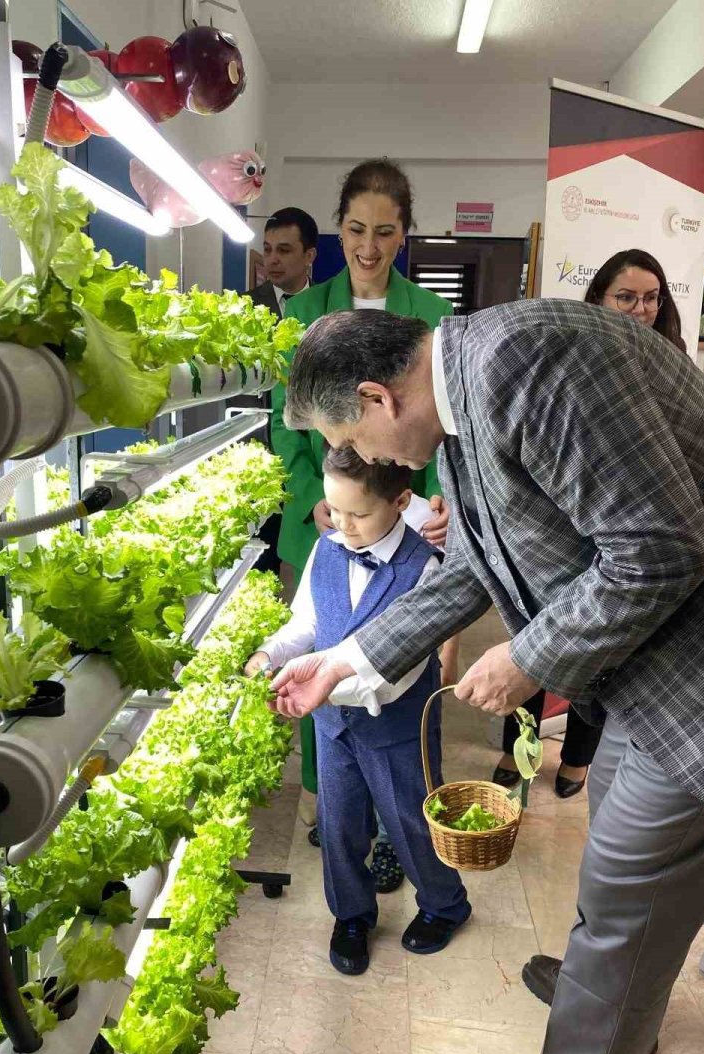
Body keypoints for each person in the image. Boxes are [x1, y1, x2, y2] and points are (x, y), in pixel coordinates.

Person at [268, 301, 704, 1054]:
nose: (364, 462)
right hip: (652, 668)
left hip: (699, 677)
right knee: (622, 887)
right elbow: (478, 567)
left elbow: (661, 549)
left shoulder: (528, 366)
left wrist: (530, 656)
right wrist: (349, 658)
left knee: (631, 882)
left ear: (374, 396)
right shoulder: (468, 390)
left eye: (350, 439)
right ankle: (616, 997)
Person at [271, 158, 456, 857]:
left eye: (384, 231)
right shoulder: (301, 313)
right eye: (355, 229)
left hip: (408, 517)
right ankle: (331, 800)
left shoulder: (432, 316)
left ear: (404, 234)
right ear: (337, 231)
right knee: (321, 651)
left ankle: (400, 808)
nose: (369, 246)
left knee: (407, 666)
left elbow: (444, 433)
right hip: (326, 517)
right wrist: (316, 503)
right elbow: (281, 424)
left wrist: (442, 504)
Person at [245, 446, 470, 975]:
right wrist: (270, 653)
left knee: (411, 822)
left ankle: (445, 904)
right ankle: (350, 914)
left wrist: (323, 686)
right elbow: (305, 623)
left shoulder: (424, 566)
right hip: (331, 726)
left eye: (360, 514)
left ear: (401, 501)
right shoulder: (327, 551)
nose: (344, 525)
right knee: (339, 823)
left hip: (394, 725)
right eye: (335, 510)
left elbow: (403, 672)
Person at [493, 247, 686, 798]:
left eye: (651, 298)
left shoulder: (669, 361)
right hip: (560, 532)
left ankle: (577, 758)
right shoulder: (572, 358)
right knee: (532, 639)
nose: (640, 309)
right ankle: (517, 751)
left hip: (628, 538)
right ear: (598, 298)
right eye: (626, 296)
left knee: (598, 657)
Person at [244, 207, 319, 576]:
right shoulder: (243, 307)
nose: (272, 260)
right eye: (268, 248)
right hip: (259, 452)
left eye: (284, 250)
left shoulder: (327, 307)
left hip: (312, 453)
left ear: (309, 255)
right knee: (261, 558)